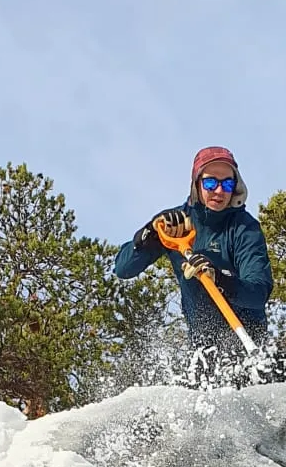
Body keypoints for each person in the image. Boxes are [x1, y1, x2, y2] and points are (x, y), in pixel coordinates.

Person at [113, 146, 273, 347]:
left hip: (247, 339)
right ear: (196, 184)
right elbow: (123, 269)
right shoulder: (175, 224)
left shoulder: (245, 229)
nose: (219, 191)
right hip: (201, 344)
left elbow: (258, 293)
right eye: (210, 182)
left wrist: (220, 279)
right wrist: (149, 235)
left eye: (227, 183)